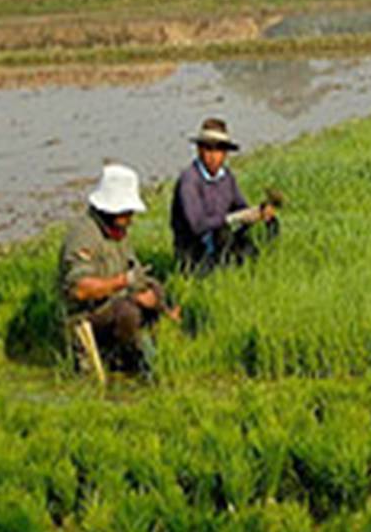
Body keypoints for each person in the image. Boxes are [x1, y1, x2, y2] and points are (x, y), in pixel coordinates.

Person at [59, 162, 178, 373]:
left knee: (154, 289)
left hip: (116, 301)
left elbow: (135, 272)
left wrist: (161, 306)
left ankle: (149, 350)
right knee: (127, 313)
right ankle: (127, 361)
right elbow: (80, 289)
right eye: (127, 212)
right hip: (88, 314)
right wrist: (124, 283)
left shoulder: (118, 232)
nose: (131, 218)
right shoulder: (84, 234)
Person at [170, 117, 277, 271]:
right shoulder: (189, 180)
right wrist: (230, 218)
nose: (213, 156)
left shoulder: (227, 177)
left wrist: (259, 212)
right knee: (223, 232)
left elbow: (240, 207)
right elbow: (197, 225)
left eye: (219, 150)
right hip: (194, 249)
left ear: (226, 153)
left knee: (268, 226)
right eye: (208, 149)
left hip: (218, 240)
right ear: (199, 150)